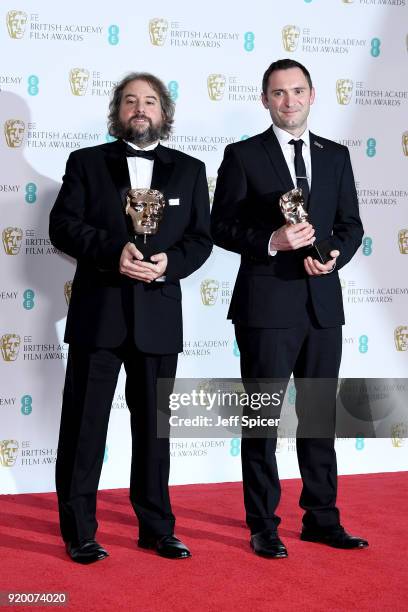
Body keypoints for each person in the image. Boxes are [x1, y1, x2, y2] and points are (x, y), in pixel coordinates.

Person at [49, 72, 212, 564]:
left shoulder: (189, 169)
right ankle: (79, 531)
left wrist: (169, 265)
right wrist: (110, 252)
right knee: (83, 428)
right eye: (130, 101)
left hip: (159, 319)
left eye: (149, 101)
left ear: (164, 112)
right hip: (99, 315)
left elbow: (200, 240)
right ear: (117, 111)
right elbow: (63, 227)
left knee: (155, 432)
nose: (139, 109)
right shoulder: (86, 163)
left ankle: (157, 528)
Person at [211, 59, 367, 558]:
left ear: (313, 95)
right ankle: (263, 524)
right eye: (278, 93)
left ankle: (322, 519)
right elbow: (221, 226)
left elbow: (351, 223)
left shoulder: (336, 155)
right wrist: (272, 241)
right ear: (265, 100)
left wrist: (337, 255)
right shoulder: (242, 155)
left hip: (323, 306)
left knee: (319, 418)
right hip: (266, 307)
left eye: (297, 91)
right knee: (262, 421)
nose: (289, 100)